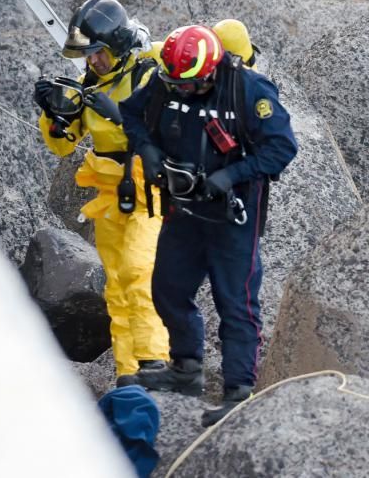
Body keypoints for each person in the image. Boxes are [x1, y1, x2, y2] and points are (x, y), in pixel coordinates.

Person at [120, 24, 298, 427]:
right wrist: (146, 149)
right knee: (167, 287)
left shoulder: (248, 91)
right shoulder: (168, 83)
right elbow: (131, 113)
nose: (180, 90)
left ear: (212, 70)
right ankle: (186, 368)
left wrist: (232, 175)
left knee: (235, 301)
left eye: (190, 85)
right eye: (175, 84)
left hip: (232, 216)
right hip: (183, 209)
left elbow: (282, 147)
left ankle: (239, 391)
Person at [33, 0, 169, 386]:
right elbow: (61, 144)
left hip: (153, 191)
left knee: (140, 274)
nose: (92, 61)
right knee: (118, 288)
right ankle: (129, 373)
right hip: (112, 198)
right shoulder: (87, 86)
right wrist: (53, 113)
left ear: (118, 43)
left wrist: (119, 114)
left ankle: (154, 362)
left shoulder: (148, 71)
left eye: (98, 53)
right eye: (89, 55)